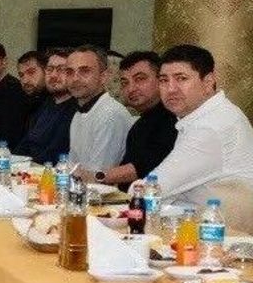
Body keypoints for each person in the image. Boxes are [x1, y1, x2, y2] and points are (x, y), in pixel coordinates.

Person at [145, 44, 253, 205]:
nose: (171, 89)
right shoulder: (210, 114)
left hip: (221, 220)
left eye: (181, 78)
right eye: (163, 80)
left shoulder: (211, 125)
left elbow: (152, 189)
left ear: (208, 82)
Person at [75, 51, 176, 188]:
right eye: (125, 83)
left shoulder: (172, 118)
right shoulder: (141, 123)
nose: (131, 88)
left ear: (161, 80)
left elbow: (143, 166)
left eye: (140, 79)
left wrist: (96, 176)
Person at [66, 44, 135, 174]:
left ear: (104, 76)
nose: (75, 79)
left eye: (85, 71)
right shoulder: (79, 114)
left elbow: (98, 174)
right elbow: (71, 166)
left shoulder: (110, 114)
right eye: (69, 72)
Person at [15, 49, 77, 165]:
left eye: (61, 69)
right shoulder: (46, 103)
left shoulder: (77, 110)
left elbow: (54, 155)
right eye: (49, 69)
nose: (53, 75)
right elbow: (27, 142)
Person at [17, 49, 48, 119]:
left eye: (31, 72)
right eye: (21, 75)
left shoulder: (56, 101)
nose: (25, 81)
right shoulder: (20, 102)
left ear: (46, 71)